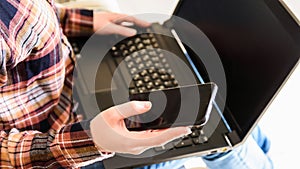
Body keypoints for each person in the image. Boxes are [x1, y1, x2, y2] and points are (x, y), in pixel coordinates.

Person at [0, 0, 273, 168]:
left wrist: (71, 19)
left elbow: (25, 14)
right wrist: (93, 141)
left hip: (68, 84)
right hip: (62, 146)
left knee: (236, 119)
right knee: (224, 136)